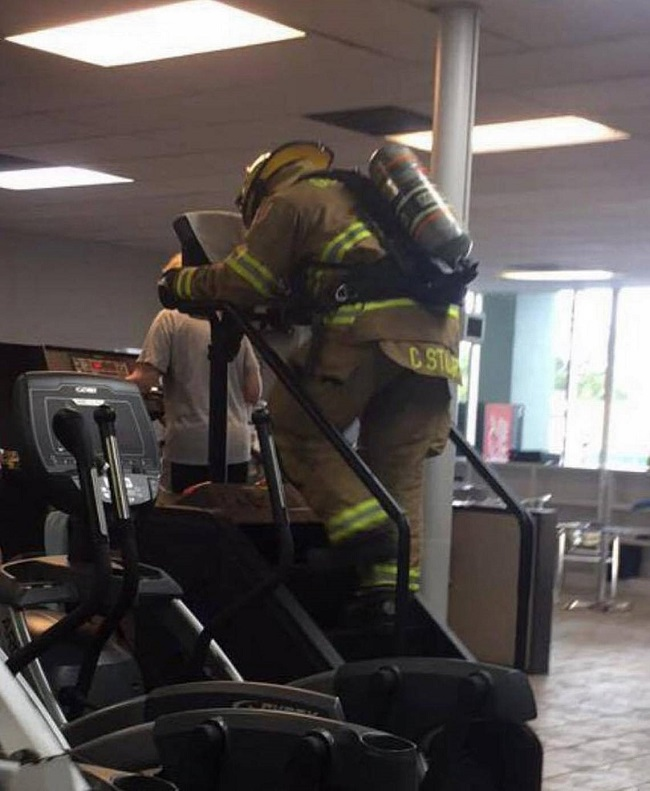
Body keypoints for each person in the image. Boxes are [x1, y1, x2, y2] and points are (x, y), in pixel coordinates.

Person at [158, 141, 467, 616]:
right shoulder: (367, 202)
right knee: (394, 466)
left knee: (294, 430)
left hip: (371, 334)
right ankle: (389, 597)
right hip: (439, 348)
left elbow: (246, 280)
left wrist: (181, 284)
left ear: (260, 192)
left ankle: (363, 531)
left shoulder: (291, 202)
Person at [129, 263, 262, 497]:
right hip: (236, 446)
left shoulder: (169, 319)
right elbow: (253, 392)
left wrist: (100, 388)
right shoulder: (232, 323)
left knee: (189, 521)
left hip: (190, 446)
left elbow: (144, 379)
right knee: (231, 517)